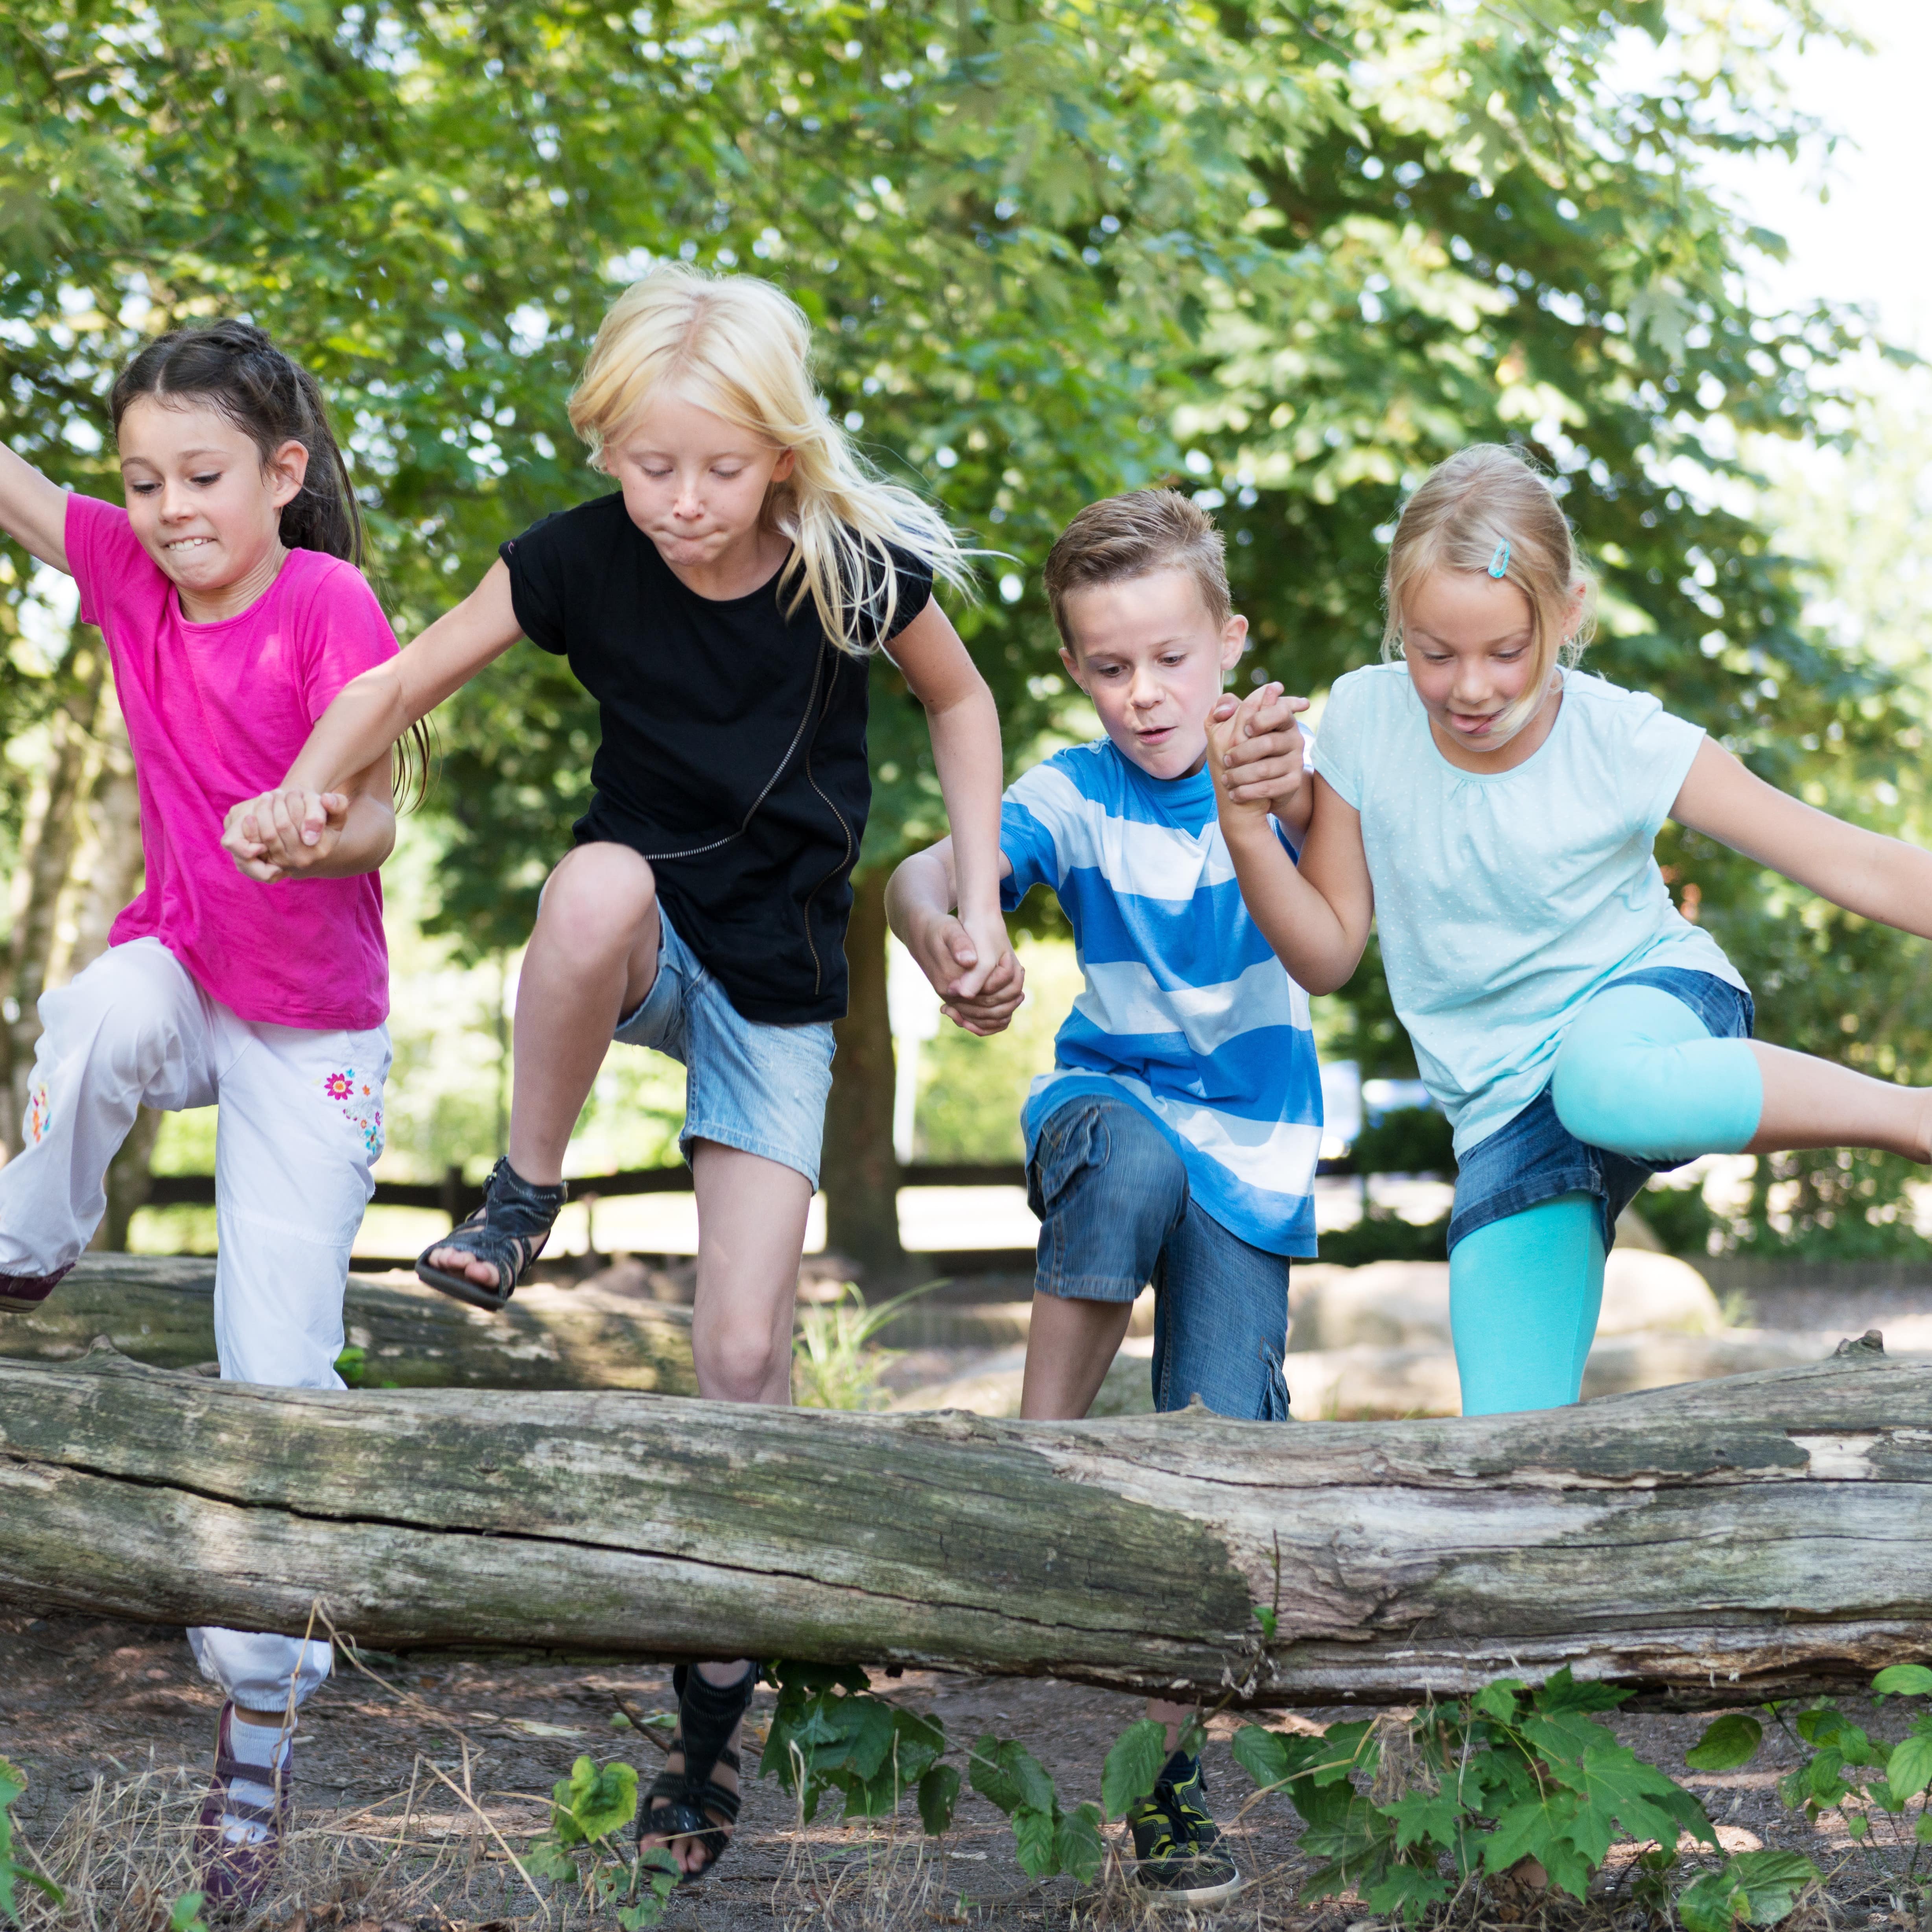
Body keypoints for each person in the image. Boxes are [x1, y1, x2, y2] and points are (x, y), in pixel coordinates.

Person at [221, 264, 1013, 1883]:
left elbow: (965, 701)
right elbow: (392, 683)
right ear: (612, 450)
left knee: (740, 1363)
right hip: (647, 937)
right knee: (586, 881)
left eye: (718, 469)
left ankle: (708, 1746)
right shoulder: (582, 556)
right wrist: (310, 788)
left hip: (782, 990)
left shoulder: (858, 568)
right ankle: (523, 1197)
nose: (682, 502)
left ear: (781, 455)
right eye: (651, 466)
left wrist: (979, 898)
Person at [1208, 441, 1932, 1418]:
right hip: (1505, 1107)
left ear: (1568, 616)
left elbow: (1844, 856)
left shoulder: (1619, 738)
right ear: (1398, 629)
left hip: (1645, 1006)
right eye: (1434, 652)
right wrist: (1246, 823)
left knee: (1603, 1083)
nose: (1470, 686)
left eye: (1505, 652)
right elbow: (1328, 951)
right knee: (1505, 1438)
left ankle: (1909, 1116)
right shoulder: (1365, 721)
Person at [0, 321, 411, 1899]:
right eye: (143, 479)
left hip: (310, 1023)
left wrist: (317, 829)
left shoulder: (325, 600)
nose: (169, 507)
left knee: (274, 1369)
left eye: (204, 476)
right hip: (180, 972)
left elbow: (375, 807)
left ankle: (255, 1731)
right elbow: (21, 494)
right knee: (94, 1009)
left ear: (284, 473)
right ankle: (30, 1239)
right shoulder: (126, 578)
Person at [886, 488, 1316, 1904]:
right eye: (1111, 665)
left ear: (1229, 641)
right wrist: (961, 936)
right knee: (1125, 1160)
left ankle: (1170, 1789)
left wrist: (1296, 790)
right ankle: (1031, 1477)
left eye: (1172, 659)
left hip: (1253, 1158)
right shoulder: (1072, 792)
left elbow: (1350, 894)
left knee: (1212, 1460)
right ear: (1076, 668)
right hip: (1110, 1106)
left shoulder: (1291, 775)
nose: (1145, 695)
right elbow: (920, 875)